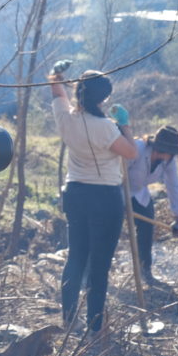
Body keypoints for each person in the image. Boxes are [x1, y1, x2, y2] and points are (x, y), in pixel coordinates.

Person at [48, 68, 138, 335]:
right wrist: (125, 123)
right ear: (104, 98)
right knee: (99, 265)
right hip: (104, 198)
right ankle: (95, 327)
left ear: (79, 93)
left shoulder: (66, 118)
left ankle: (69, 319)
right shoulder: (105, 128)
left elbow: (55, 90)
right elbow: (131, 152)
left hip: (75, 193)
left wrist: (56, 74)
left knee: (76, 258)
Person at [112, 109, 178, 286]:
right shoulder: (137, 149)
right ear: (160, 148)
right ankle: (99, 269)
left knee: (146, 229)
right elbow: (116, 174)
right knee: (111, 230)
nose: (172, 155)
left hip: (139, 194)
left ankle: (144, 270)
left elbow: (173, 185)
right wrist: (119, 205)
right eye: (170, 151)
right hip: (117, 191)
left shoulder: (168, 161)